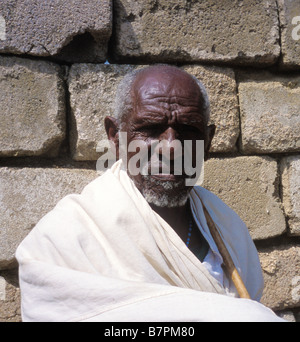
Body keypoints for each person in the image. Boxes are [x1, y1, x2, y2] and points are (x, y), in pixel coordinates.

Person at [16, 65, 284, 322]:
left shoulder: (228, 227)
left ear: (208, 141)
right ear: (115, 136)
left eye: (189, 131)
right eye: (150, 129)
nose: (170, 148)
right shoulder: (66, 236)